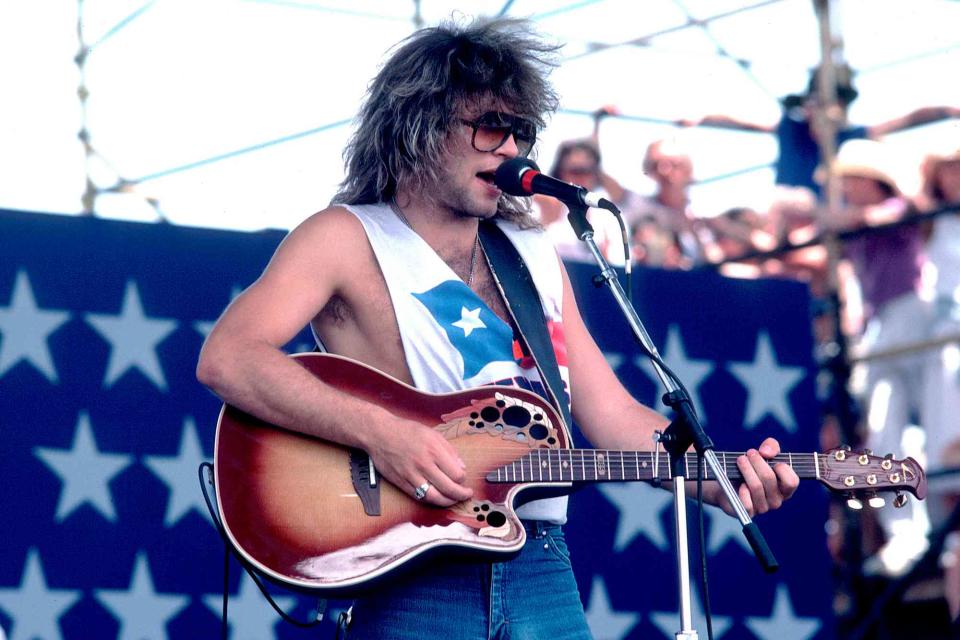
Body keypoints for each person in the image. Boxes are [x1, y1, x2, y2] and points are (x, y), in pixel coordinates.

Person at [196, 17, 798, 638]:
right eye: (491, 127)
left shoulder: (534, 251)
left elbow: (612, 414)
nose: (511, 149)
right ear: (420, 128)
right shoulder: (346, 238)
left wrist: (720, 480)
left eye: (521, 132)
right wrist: (384, 434)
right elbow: (230, 357)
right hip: (413, 571)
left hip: (544, 564)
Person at [823, 139, 934, 576]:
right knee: (887, 429)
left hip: (909, 313)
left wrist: (834, 219)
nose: (845, 186)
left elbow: (875, 217)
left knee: (926, 422)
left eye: (851, 178)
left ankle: (920, 529)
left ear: (871, 180)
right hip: (885, 321)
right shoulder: (860, 218)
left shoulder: (896, 208)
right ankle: (906, 534)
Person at [683, 64, 960, 197]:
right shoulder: (791, 129)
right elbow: (744, 121)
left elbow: (904, 120)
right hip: (790, 214)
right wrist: (702, 117)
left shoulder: (851, 139)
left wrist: (947, 111)